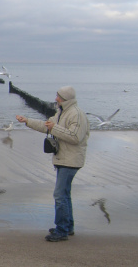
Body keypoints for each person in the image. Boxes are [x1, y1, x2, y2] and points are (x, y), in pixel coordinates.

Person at [16, 86, 90, 242]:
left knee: (59, 195)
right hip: (64, 158)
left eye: (59, 96)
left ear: (66, 99)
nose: (56, 99)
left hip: (71, 160)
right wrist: (27, 121)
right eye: (57, 96)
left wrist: (54, 128)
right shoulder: (62, 112)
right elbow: (47, 126)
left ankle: (61, 230)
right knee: (64, 194)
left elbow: (75, 137)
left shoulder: (76, 115)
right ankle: (68, 226)